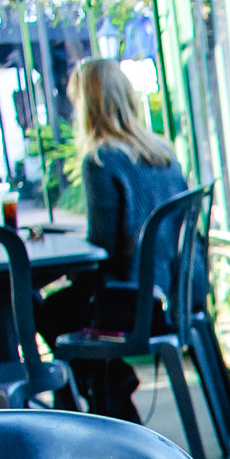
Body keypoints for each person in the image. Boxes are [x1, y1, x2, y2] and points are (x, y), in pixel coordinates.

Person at [36, 57, 193, 420]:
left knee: (49, 310)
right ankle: (113, 390)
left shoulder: (102, 160)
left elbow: (103, 250)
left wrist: (70, 269)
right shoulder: (164, 153)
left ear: (87, 105)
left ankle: (109, 397)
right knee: (67, 310)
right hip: (170, 296)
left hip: (132, 307)